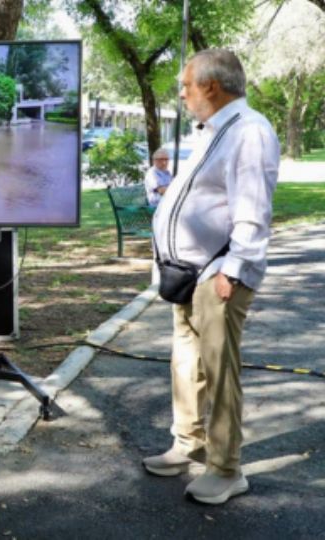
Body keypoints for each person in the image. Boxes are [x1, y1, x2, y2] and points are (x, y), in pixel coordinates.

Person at [144, 50, 279, 505]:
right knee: (186, 363)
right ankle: (189, 443)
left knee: (220, 371)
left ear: (212, 87)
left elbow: (252, 211)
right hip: (188, 273)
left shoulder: (250, 132)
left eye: (186, 85)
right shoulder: (214, 132)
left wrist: (234, 270)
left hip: (219, 274)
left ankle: (225, 468)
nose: (181, 94)